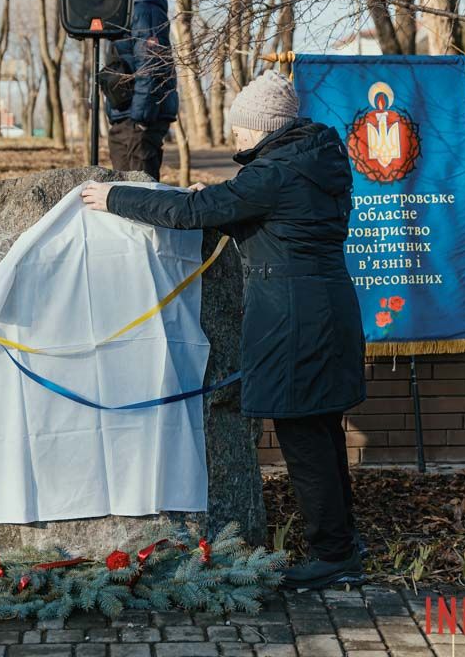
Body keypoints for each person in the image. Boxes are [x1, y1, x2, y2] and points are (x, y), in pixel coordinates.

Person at [80, 70, 367, 590]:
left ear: (264, 127)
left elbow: (195, 212)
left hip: (294, 319)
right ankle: (343, 546)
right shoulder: (313, 160)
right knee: (323, 432)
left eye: (240, 127)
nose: (234, 135)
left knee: (304, 438)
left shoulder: (274, 173)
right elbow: (277, 220)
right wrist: (226, 199)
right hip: (328, 309)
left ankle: (332, 556)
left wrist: (116, 197)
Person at [104, 0, 179, 181]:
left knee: (140, 191)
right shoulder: (125, 10)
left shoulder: (144, 9)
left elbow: (151, 65)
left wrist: (141, 120)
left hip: (139, 118)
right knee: (121, 188)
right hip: (125, 116)